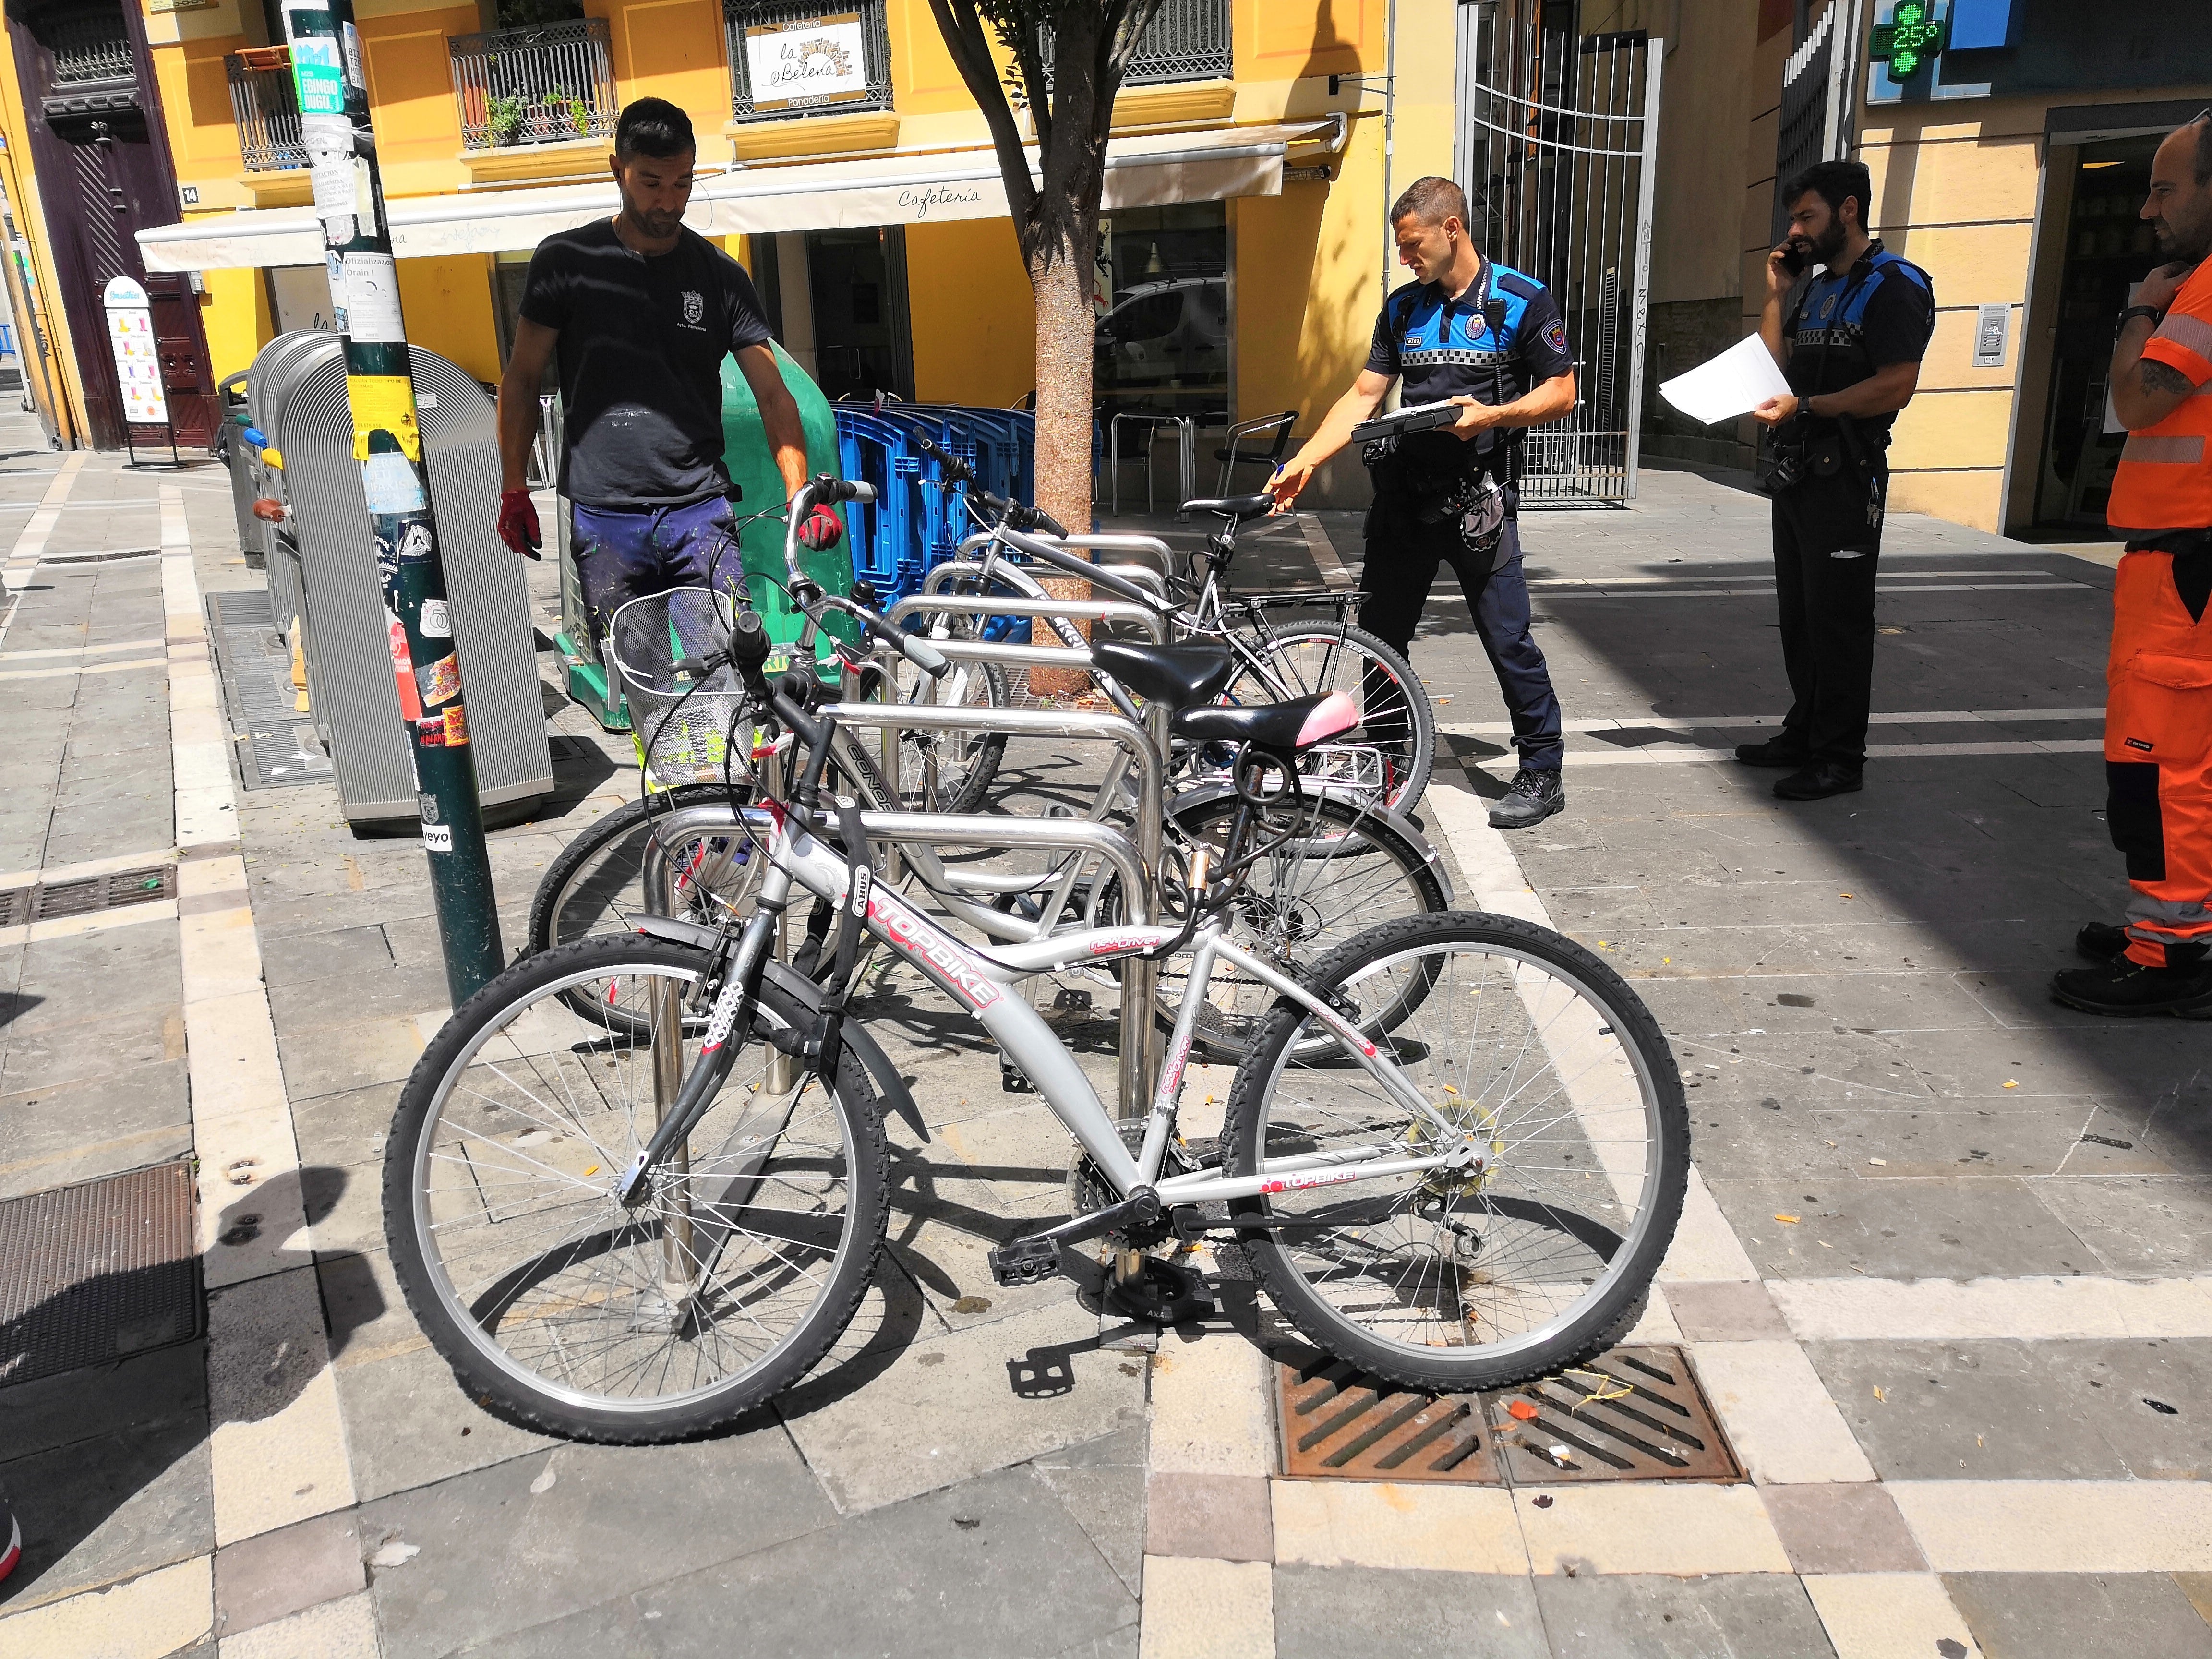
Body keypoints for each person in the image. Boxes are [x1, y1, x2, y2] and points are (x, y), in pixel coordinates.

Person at [1267, 175, 1576, 830]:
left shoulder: (1520, 302)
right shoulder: (1404, 308)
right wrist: (1303, 461)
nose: (1405, 257)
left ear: (1452, 230)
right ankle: (1385, 760)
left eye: (1413, 245)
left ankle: (1542, 769)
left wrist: (1493, 415)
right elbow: (1362, 395)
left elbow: (1562, 392)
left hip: (1478, 505)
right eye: (1402, 247)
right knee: (1382, 641)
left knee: (1507, 637)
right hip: (1404, 500)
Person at [493, 97, 843, 640]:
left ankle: (718, 728)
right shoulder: (564, 263)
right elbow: (521, 379)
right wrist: (514, 487)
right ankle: (653, 729)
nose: (668, 202)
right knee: (642, 678)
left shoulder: (721, 276)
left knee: (729, 666)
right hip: (606, 515)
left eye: (682, 183)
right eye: (651, 183)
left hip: (699, 512)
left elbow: (774, 396)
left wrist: (803, 494)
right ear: (618, 171)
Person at [2054, 113, 2212, 1019]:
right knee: (2185, 765)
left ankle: (2169, 952)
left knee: (2158, 767)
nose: (2148, 208)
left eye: (2165, 186)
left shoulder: (2196, 294)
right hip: (2184, 565)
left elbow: (2136, 399)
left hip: (2185, 570)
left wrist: (2140, 306)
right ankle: (2177, 927)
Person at [1743, 159, 1934, 801]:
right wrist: (1777, 291)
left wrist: (1812, 408)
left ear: (1849, 210)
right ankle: (1804, 732)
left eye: (1807, 217)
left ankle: (1838, 758)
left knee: (1840, 619)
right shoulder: (1818, 288)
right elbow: (1777, 369)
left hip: (1847, 475)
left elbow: (1897, 384)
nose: (1795, 230)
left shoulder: (1895, 285)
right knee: (1800, 616)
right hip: (1801, 472)